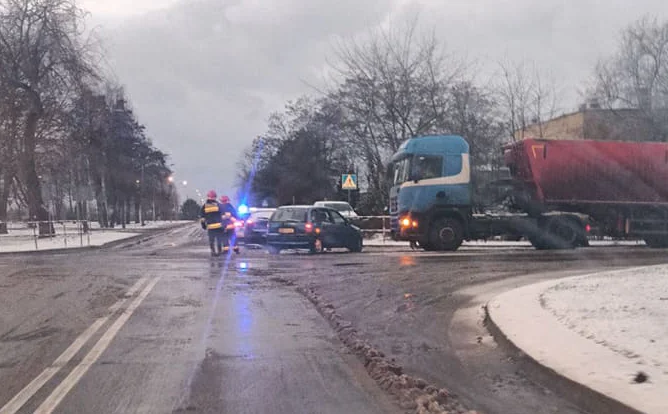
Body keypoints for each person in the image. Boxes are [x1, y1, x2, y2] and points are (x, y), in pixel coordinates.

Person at [200, 190, 225, 256]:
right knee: (219, 239)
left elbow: (202, 217)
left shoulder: (205, 206)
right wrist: (224, 224)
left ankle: (213, 252)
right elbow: (223, 215)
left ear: (208, 197)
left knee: (211, 240)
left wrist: (203, 225)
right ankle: (219, 251)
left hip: (210, 226)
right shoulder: (218, 205)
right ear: (215, 197)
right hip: (218, 226)